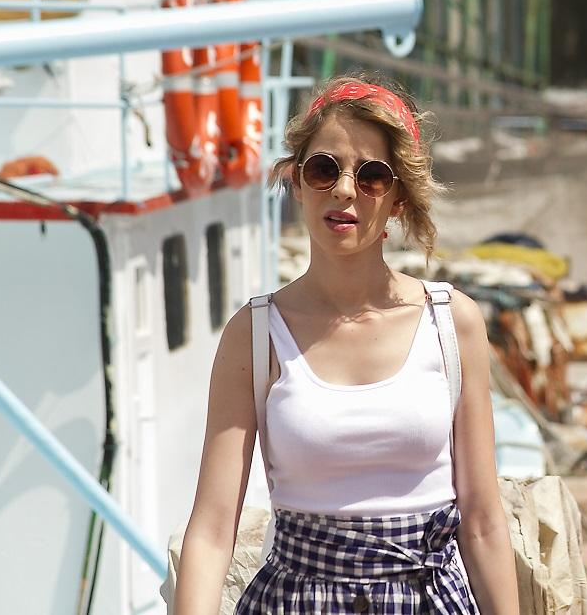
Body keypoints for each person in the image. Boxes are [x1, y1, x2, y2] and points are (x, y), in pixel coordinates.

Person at [174, 75, 518, 614]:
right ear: (296, 181)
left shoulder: (453, 323)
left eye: (372, 175)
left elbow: (483, 522)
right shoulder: (254, 333)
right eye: (323, 169)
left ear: (399, 198)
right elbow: (213, 530)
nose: (344, 190)